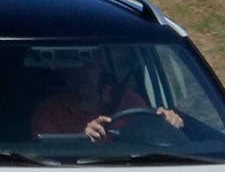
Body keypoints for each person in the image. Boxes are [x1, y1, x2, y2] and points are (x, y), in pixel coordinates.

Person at [31, 55, 183, 141]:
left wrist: (165, 122)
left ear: (100, 67)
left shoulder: (128, 99)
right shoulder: (49, 111)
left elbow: (148, 134)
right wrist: (83, 139)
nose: (81, 72)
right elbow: (47, 154)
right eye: (74, 66)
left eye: (88, 64)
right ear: (65, 74)